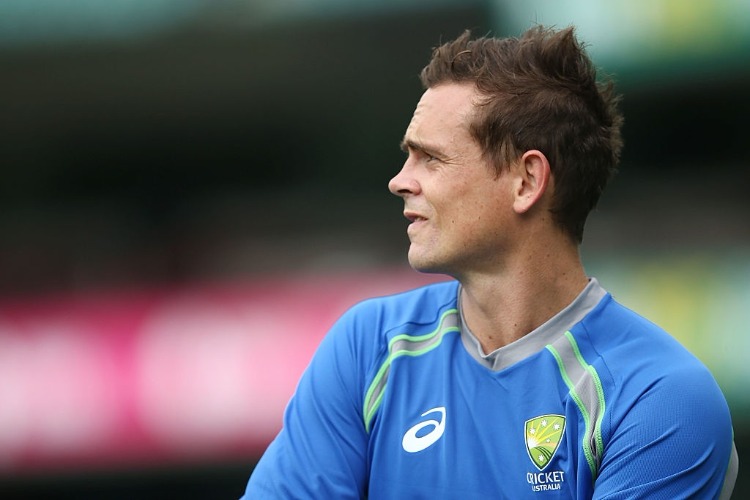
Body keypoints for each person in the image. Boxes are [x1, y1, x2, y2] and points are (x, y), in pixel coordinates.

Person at [241, 25, 738, 498]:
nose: (399, 180)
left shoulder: (660, 398)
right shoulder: (369, 348)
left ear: (526, 181)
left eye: (430, 159)